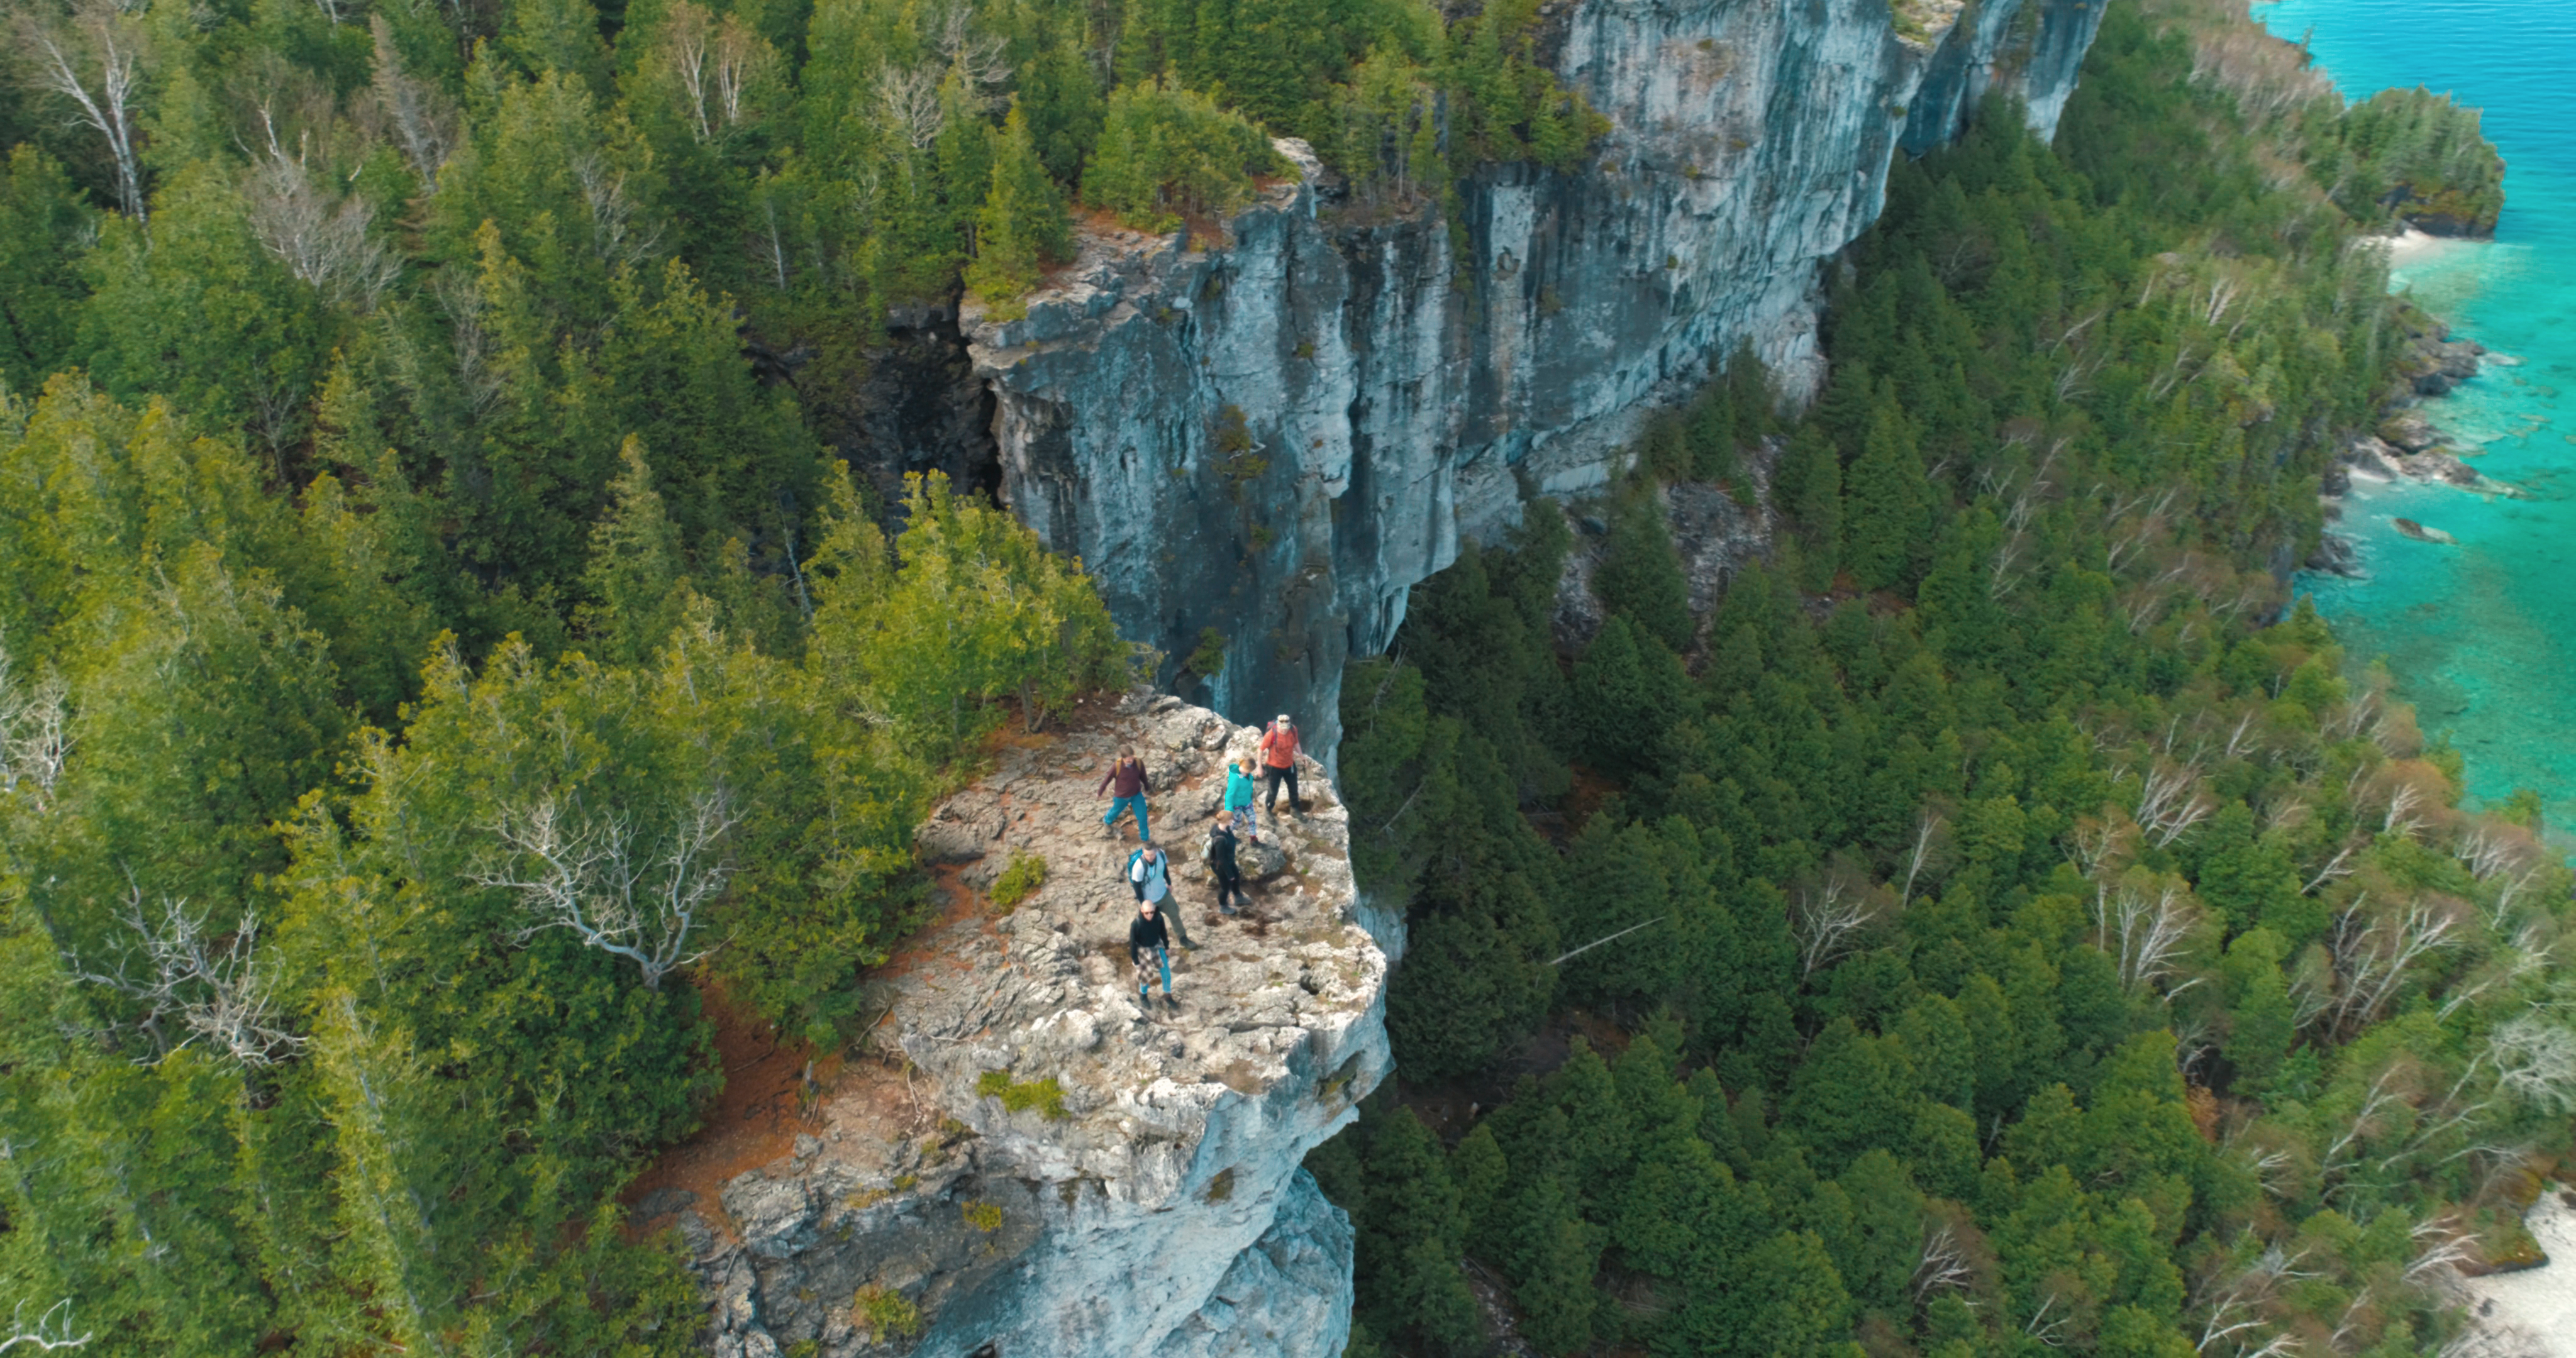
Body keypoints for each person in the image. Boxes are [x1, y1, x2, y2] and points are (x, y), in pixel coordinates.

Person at [1127, 840, 1197, 949]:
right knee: (1150, 924)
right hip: (1150, 901)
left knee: (1175, 915)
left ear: (1156, 851)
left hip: (1164, 895)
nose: (1149, 857)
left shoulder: (1161, 855)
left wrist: (1169, 883)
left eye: (1151, 855)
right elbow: (1137, 886)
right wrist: (1143, 903)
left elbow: (1164, 870)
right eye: (1146, 855)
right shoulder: (1139, 866)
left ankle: (1183, 938)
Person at [1128, 898, 1175, 1012]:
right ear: (1142, 910)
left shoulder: (1159, 918)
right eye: (1146, 913)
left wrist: (1167, 947)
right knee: (1145, 976)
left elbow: (1163, 932)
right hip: (1143, 949)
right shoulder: (1136, 924)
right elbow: (1132, 943)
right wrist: (1135, 960)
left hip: (1157, 945)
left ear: (1155, 910)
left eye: (1152, 912)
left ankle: (1167, 995)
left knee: (1166, 973)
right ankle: (1143, 996)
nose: (1149, 915)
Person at [1097, 745, 1151, 842]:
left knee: (1143, 816)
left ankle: (1145, 839)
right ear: (1123, 758)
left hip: (1136, 795)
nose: (1130, 760)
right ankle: (1107, 822)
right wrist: (1101, 791)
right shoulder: (1117, 766)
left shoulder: (1138, 763)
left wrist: (1147, 787)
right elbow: (1107, 779)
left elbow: (1143, 776)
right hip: (1121, 796)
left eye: (1131, 757)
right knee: (1115, 811)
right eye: (1127, 759)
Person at [1258, 714, 1304, 815]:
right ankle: (1268, 811)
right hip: (1274, 767)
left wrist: (1302, 756)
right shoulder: (1271, 734)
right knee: (1273, 791)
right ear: (1278, 726)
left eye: (1286, 729)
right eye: (1282, 729)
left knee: (1294, 788)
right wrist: (1259, 767)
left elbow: (1296, 743)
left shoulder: (1293, 730)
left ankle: (1295, 809)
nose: (1284, 731)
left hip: (1289, 765)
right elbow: (1261, 750)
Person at [1205, 815, 1246, 915]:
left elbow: (1231, 838)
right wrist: (1229, 874)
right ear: (1226, 821)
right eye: (1232, 819)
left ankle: (1238, 897)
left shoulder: (1225, 829)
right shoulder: (1220, 840)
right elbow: (1221, 859)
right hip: (1220, 866)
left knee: (1237, 876)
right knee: (1225, 887)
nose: (1234, 820)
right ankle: (1223, 906)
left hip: (1229, 861)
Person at [1224, 755, 1261, 842]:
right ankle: (1227, 835)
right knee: (1236, 821)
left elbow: (1249, 787)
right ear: (1248, 769)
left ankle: (1253, 838)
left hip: (1247, 801)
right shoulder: (1235, 778)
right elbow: (1229, 794)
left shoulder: (1249, 776)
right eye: (1251, 770)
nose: (1252, 772)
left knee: (1252, 818)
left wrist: (1250, 797)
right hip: (1237, 804)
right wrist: (1229, 809)